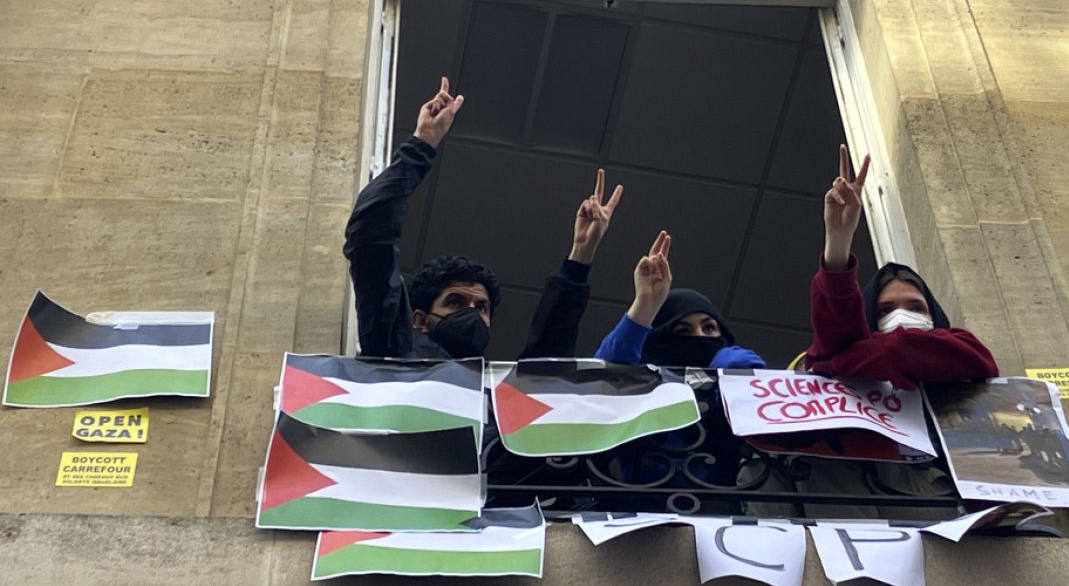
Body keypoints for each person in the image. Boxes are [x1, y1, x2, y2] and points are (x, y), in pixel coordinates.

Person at [343, 77, 622, 359]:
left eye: (481, 308)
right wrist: (422, 144)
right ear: (420, 320)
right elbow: (369, 235)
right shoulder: (395, 349)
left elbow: (548, 365)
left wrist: (581, 255)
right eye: (455, 302)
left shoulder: (497, 396)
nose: (472, 314)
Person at [803, 145, 998, 389]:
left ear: (934, 314)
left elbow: (897, 349)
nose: (902, 318)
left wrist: (837, 362)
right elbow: (835, 328)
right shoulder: (853, 358)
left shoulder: (968, 347)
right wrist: (838, 241)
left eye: (916, 307)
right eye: (885, 310)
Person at [594, 231, 765, 370]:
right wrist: (645, 304)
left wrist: (722, 360)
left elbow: (742, 366)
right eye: (683, 331)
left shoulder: (729, 384)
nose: (700, 336)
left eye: (709, 328)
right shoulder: (641, 389)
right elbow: (605, 373)